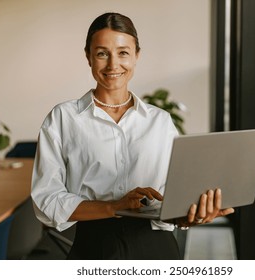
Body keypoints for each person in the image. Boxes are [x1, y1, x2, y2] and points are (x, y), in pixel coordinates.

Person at [31, 12, 234, 260]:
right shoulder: (64, 118)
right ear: (88, 57)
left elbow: (171, 201)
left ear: (137, 55)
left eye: (123, 53)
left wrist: (194, 214)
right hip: (94, 249)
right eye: (102, 53)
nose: (113, 65)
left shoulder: (160, 121)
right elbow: (46, 201)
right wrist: (114, 207)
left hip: (157, 249)